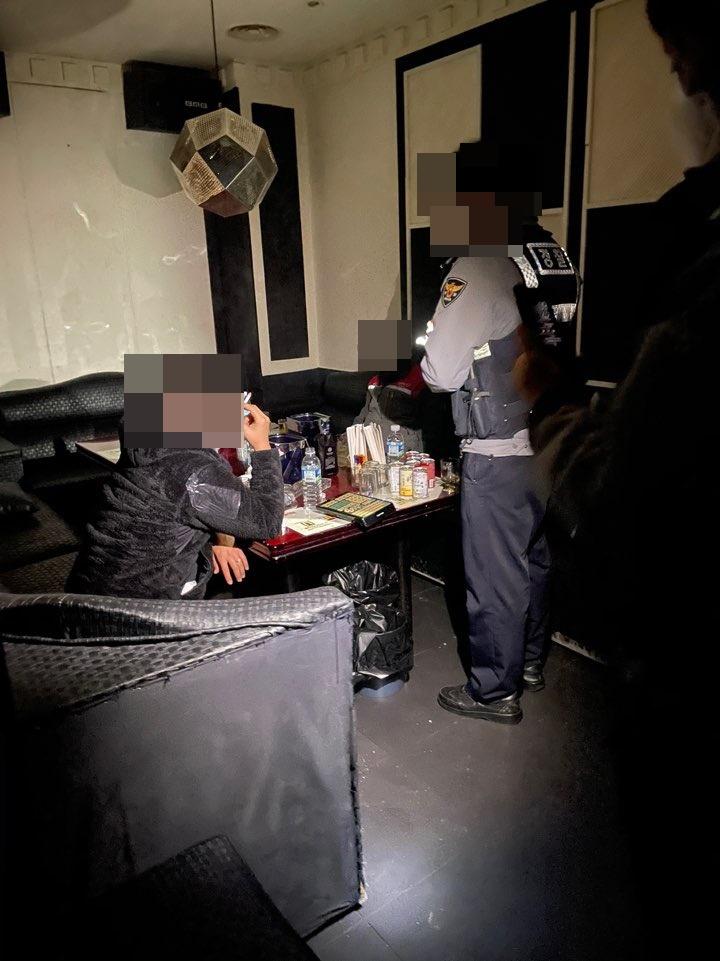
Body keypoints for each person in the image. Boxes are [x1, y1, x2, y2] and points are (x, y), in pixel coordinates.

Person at [513, 2, 720, 954]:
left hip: (685, 693)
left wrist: (544, 396)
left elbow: (615, 507)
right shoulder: (552, 253)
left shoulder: (698, 297)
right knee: (522, 562)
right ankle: (522, 663)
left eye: (683, 68)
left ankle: (501, 674)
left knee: (506, 559)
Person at [421, 143, 580, 724]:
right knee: (534, 560)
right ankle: (530, 663)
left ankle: (494, 691)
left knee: (494, 576)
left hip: (495, 450)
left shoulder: (478, 265)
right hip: (548, 443)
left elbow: (441, 374)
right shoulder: (551, 256)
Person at [67, 404, 284, 599]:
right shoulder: (191, 470)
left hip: (87, 596)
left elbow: (172, 512)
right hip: (143, 612)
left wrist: (215, 544)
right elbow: (267, 521)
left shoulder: (147, 442)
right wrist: (262, 447)